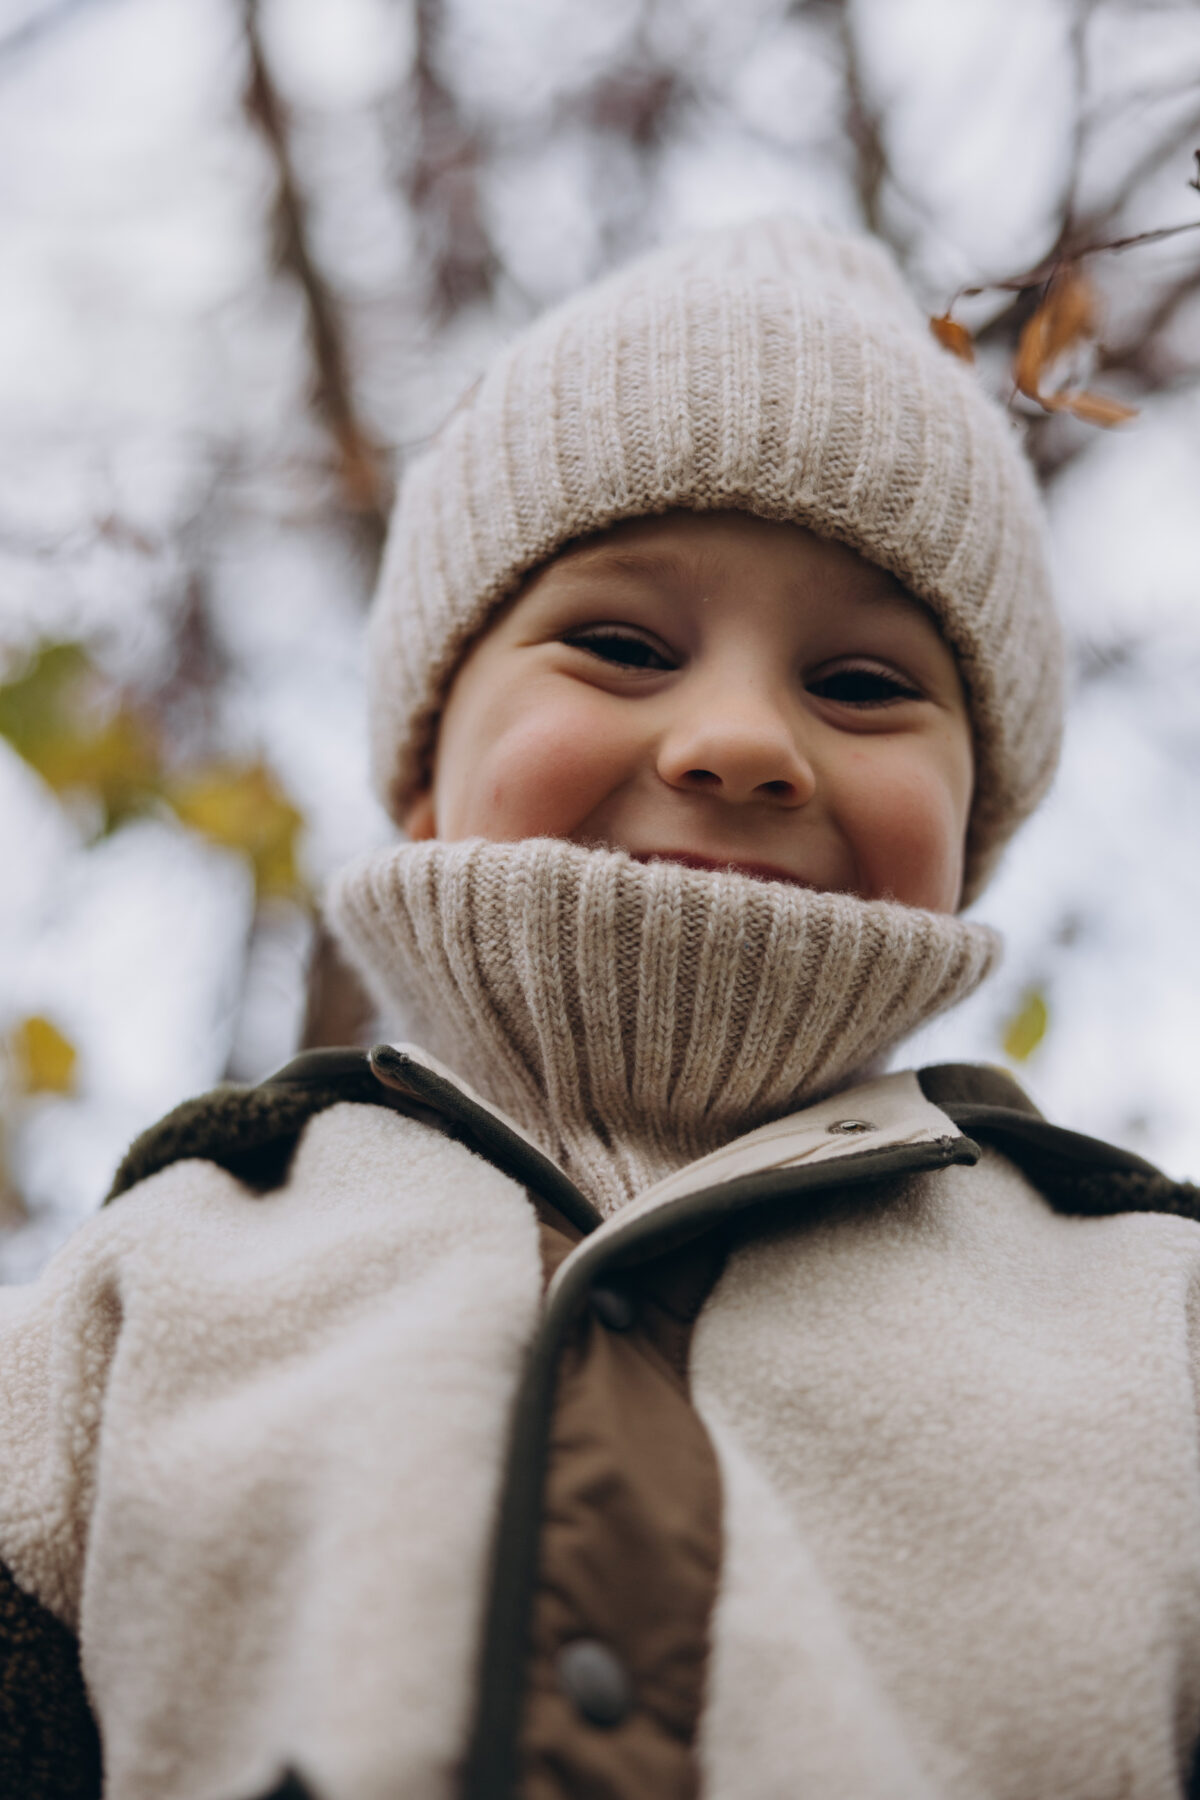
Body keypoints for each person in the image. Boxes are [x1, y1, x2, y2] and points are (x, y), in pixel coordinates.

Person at [2, 217, 1198, 1800]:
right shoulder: (159, 1276)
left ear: (972, 827)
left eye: (861, 684)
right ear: (425, 779)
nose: (739, 740)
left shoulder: (1155, 1317)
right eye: (622, 646)